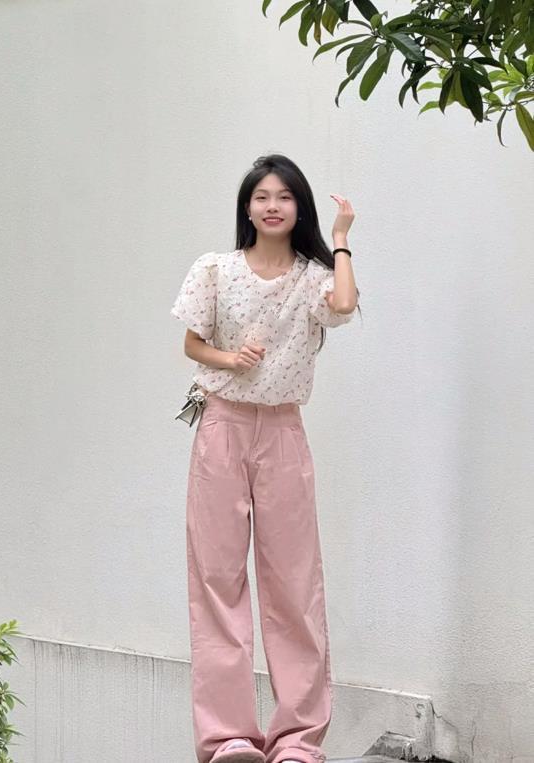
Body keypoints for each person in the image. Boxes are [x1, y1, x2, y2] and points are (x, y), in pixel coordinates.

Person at [170, 153, 361, 763]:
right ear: (247, 207)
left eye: (284, 196)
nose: (272, 205)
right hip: (222, 427)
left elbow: (344, 305)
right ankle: (227, 737)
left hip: (282, 431)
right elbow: (191, 343)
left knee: (294, 585)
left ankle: (297, 741)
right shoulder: (215, 269)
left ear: (299, 208)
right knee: (216, 581)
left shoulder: (313, 277)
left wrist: (340, 241)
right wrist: (230, 360)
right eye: (261, 196)